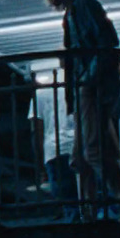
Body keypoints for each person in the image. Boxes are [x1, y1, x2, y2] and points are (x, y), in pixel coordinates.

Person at [38, 0, 120, 218]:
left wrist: (87, 78)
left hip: (90, 86)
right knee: (83, 155)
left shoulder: (83, 6)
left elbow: (106, 43)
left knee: (93, 152)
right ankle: (94, 208)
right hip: (86, 87)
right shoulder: (74, 11)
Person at [29, 69, 80, 221]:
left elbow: (36, 131)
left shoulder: (40, 94)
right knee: (88, 197)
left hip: (55, 151)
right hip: (81, 148)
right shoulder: (80, 86)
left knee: (67, 199)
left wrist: (40, 164)